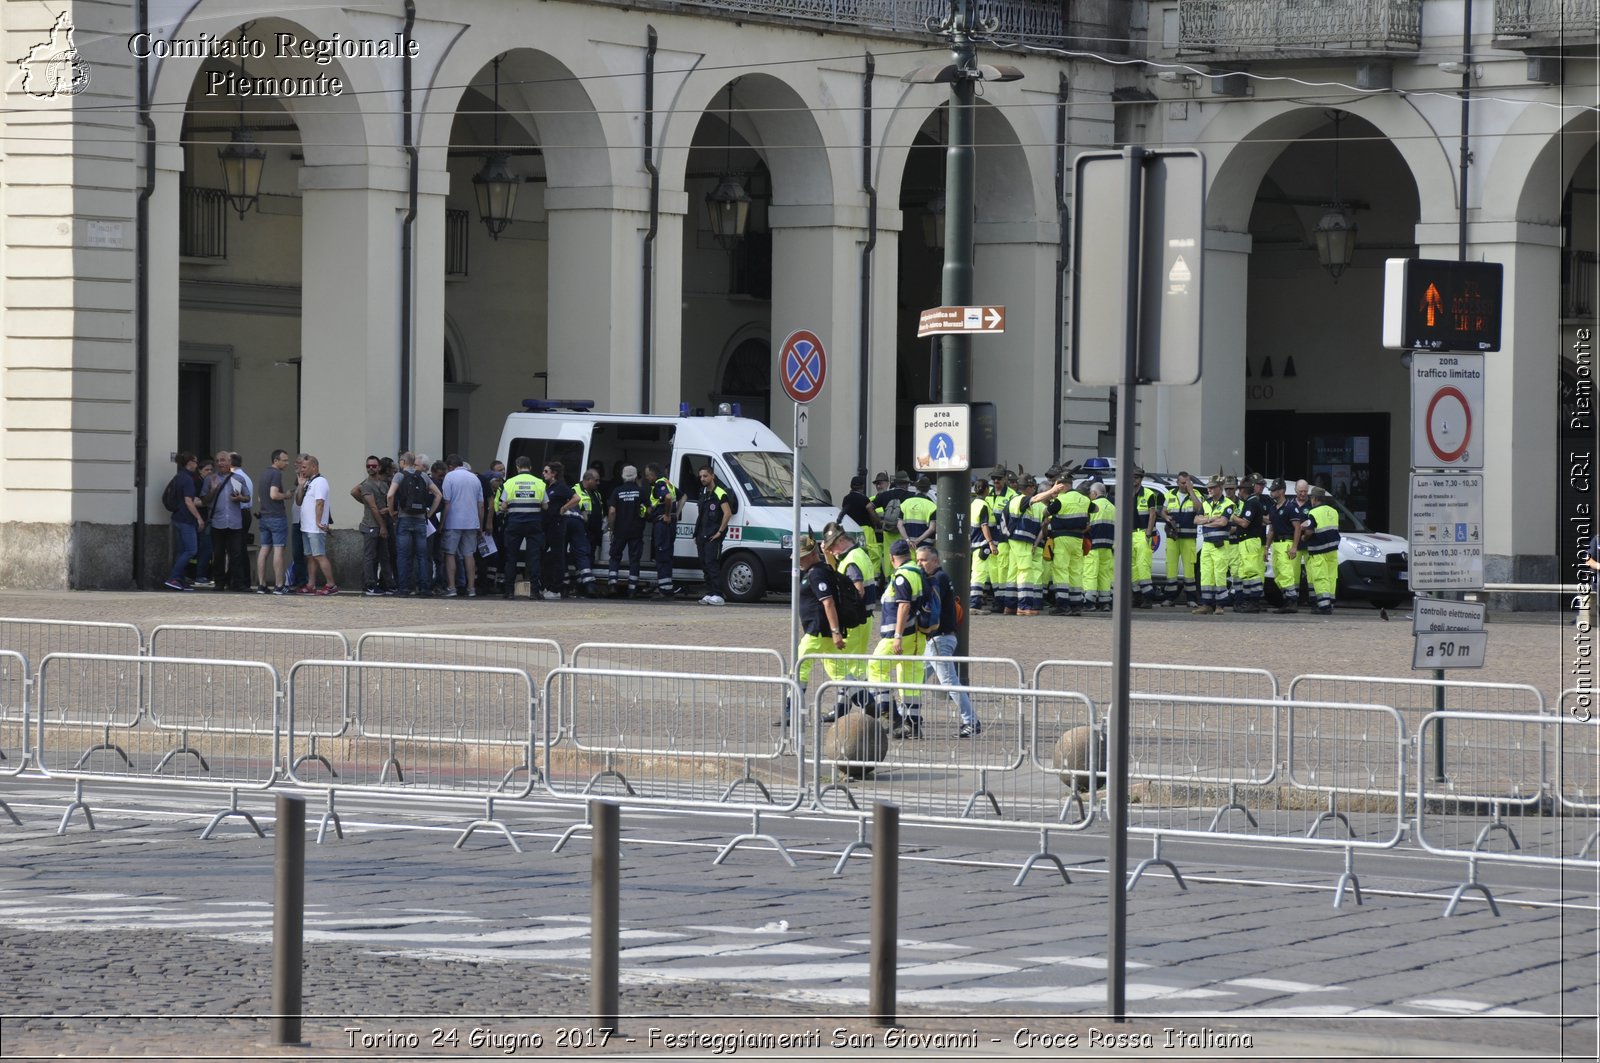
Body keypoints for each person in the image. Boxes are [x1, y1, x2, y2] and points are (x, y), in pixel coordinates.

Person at [868, 539, 933, 739]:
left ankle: (889, 714)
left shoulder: (902, 576)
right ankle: (911, 724)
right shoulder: (918, 572)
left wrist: (896, 636)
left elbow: (904, 606)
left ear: (891, 558)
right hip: (916, 636)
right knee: (909, 679)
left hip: (899, 636)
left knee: (875, 666)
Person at [917, 544, 981, 739]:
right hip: (937, 640)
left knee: (949, 682)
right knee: (915, 677)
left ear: (935, 561)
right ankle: (906, 716)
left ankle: (971, 721)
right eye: (918, 560)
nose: (920, 564)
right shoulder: (937, 577)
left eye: (924, 560)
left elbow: (930, 608)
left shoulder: (938, 578)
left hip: (940, 638)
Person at [793, 533, 848, 730]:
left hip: (817, 631)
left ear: (812, 555)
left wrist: (835, 631)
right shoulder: (821, 569)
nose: (798, 561)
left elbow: (828, 602)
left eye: (801, 557)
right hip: (822, 631)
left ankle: (791, 711)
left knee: (799, 668)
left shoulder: (817, 573)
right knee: (839, 672)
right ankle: (867, 702)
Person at [387, 450, 442, 598]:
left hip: (404, 519)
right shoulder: (424, 476)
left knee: (404, 555)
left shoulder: (399, 475)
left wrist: (392, 511)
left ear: (403, 462)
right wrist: (429, 514)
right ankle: (425, 588)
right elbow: (438, 495)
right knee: (422, 556)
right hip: (420, 520)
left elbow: (390, 495)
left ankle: (404, 588)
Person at [497, 455, 549, 600]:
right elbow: (545, 505)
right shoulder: (539, 482)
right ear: (530, 467)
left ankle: (509, 592)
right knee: (534, 558)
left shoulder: (509, 483)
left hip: (515, 524)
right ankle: (534, 592)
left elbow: (504, 505)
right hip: (534, 524)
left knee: (511, 557)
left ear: (517, 467)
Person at [204, 450, 250, 591]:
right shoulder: (210, 479)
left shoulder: (238, 478)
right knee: (218, 554)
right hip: (218, 521)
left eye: (223, 460)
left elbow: (247, 497)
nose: (220, 463)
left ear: (230, 462)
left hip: (235, 522)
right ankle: (219, 582)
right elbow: (204, 500)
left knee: (236, 554)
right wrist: (212, 490)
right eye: (217, 461)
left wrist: (240, 498)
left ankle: (237, 583)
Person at [440, 454, 484, 598]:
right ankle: (471, 588)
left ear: (450, 467)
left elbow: (447, 502)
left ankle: (451, 587)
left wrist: (442, 523)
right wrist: (480, 525)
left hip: (453, 521)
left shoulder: (450, 477)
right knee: (469, 554)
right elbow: (481, 505)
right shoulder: (474, 478)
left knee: (450, 553)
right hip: (472, 522)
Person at [1294, 485, 1342, 615]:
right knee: (1331, 576)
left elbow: (1309, 531)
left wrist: (1303, 538)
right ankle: (1330, 602)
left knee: (1320, 577)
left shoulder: (1313, 513)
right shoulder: (1333, 511)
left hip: (1318, 550)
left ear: (1314, 499)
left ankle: (1324, 605)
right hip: (1332, 550)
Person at [294, 454, 338, 594]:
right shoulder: (308, 482)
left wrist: (318, 521)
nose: (302, 470)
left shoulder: (320, 482)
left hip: (315, 527)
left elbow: (320, 502)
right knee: (310, 556)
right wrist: (300, 486)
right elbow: (299, 501)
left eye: (305, 467)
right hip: (306, 526)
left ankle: (331, 585)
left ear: (314, 466)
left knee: (319, 555)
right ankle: (311, 584)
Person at [1192, 474, 1235, 615]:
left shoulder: (1228, 504)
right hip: (1207, 545)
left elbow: (1223, 522)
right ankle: (1206, 604)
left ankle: (1220, 605)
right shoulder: (1205, 503)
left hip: (1220, 545)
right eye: (1208, 488)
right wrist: (1211, 519)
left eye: (1212, 487)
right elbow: (1196, 520)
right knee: (1205, 574)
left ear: (1220, 488)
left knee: (1219, 575)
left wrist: (1206, 521)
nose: (1209, 490)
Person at [352, 455, 392, 596]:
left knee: (384, 556)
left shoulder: (383, 484)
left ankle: (386, 584)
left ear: (379, 467)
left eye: (373, 466)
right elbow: (373, 508)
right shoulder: (367, 485)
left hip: (381, 523)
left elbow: (387, 503)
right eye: (368, 466)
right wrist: (382, 526)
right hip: (371, 525)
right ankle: (369, 584)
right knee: (370, 556)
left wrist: (387, 510)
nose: (370, 468)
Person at [557, 463, 599, 598]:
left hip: (567, 521)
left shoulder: (594, 493)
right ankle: (589, 586)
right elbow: (584, 514)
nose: (598, 483)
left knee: (563, 553)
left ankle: (566, 585)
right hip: (577, 522)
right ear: (588, 480)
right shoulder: (575, 490)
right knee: (581, 554)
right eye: (596, 480)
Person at [163, 452, 203, 591]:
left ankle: (179, 579)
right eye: (196, 462)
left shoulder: (179, 476)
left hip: (177, 517)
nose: (197, 465)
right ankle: (174, 578)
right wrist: (199, 518)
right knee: (191, 550)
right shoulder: (187, 479)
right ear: (190, 462)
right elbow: (188, 501)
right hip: (186, 519)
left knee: (182, 551)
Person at [694, 465, 733, 605]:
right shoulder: (703, 493)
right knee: (704, 565)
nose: (702, 479)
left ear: (712, 476)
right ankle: (710, 593)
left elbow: (727, 513)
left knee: (712, 565)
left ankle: (718, 594)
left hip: (713, 535)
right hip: (702, 535)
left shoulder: (720, 493)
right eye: (701, 476)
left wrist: (720, 532)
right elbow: (701, 515)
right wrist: (696, 534)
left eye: (705, 476)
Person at [606, 465, 646, 597]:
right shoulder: (640, 491)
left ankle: (612, 585)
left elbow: (612, 511)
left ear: (622, 476)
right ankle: (632, 589)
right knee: (634, 560)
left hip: (620, 530)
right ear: (636, 476)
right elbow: (649, 510)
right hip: (636, 530)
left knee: (615, 557)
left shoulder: (617, 491)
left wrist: (611, 528)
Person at [1266, 479, 1306, 613]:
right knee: (1278, 574)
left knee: (1286, 573)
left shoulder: (1290, 507)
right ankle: (1287, 600)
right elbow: (1271, 530)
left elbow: (1297, 528)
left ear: (1282, 491)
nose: (1271, 493)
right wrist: (1266, 548)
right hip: (1276, 544)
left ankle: (1291, 602)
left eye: (1274, 490)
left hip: (1286, 543)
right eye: (1271, 490)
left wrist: (1294, 546)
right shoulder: (1273, 508)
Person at [253, 449, 290, 594]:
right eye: (284, 460)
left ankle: (261, 585)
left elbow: (260, 498)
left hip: (264, 516)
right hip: (276, 516)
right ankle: (279, 585)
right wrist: (286, 495)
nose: (287, 463)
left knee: (264, 549)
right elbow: (273, 494)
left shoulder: (264, 474)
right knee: (278, 549)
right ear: (276, 460)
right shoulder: (276, 474)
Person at [1163, 471, 1203, 607]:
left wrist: (1191, 492)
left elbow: (1199, 509)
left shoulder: (1195, 494)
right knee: (1171, 568)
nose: (1185, 485)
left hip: (1188, 538)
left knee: (1189, 569)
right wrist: (1166, 517)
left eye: (1187, 483)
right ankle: (1170, 598)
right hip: (1173, 537)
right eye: (1182, 483)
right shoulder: (1170, 494)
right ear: (1177, 482)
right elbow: (1163, 510)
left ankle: (1191, 599)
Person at [643, 461, 681, 598]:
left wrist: (666, 515)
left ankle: (663, 590)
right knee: (667, 555)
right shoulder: (667, 482)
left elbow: (668, 497)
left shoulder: (659, 484)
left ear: (653, 474)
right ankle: (667, 587)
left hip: (662, 524)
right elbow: (682, 496)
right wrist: (674, 514)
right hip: (669, 525)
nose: (647, 478)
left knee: (661, 556)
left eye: (647, 475)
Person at [1130, 467, 1165, 608]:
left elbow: (1152, 514)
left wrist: (1148, 533)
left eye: (1137, 477)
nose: (1134, 479)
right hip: (1129, 533)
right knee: (1131, 567)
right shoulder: (1126, 492)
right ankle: (1136, 595)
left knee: (1142, 565)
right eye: (1132, 477)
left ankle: (1148, 597)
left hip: (1142, 533)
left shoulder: (1148, 494)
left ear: (1141, 479)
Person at [1233, 473, 1269, 613]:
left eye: (1239, 490)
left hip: (1250, 541)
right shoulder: (1252, 502)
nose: (1238, 492)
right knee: (1246, 572)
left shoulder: (1252, 503)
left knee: (1252, 572)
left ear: (1243, 490)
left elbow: (1245, 523)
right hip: (1246, 542)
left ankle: (1254, 601)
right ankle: (1248, 601)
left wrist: (1232, 516)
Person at [1085, 481, 1115, 612]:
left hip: (1093, 545)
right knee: (1105, 574)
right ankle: (1105, 602)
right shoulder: (1113, 507)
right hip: (1108, 546)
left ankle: (1089, 602)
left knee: (1090, 574)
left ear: (1094, 493)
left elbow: (1087, 525)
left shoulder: (1092, 506)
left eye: (1090, 493)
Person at [968, 479, 997, 615]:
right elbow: (984, 525)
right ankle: (975, 604)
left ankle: (974, 602)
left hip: (973, 544)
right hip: (982, 544)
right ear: (986, 490)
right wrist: (991, 542)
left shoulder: (973, 504)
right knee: (980, 574)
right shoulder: (983, 505)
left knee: (976, 573)